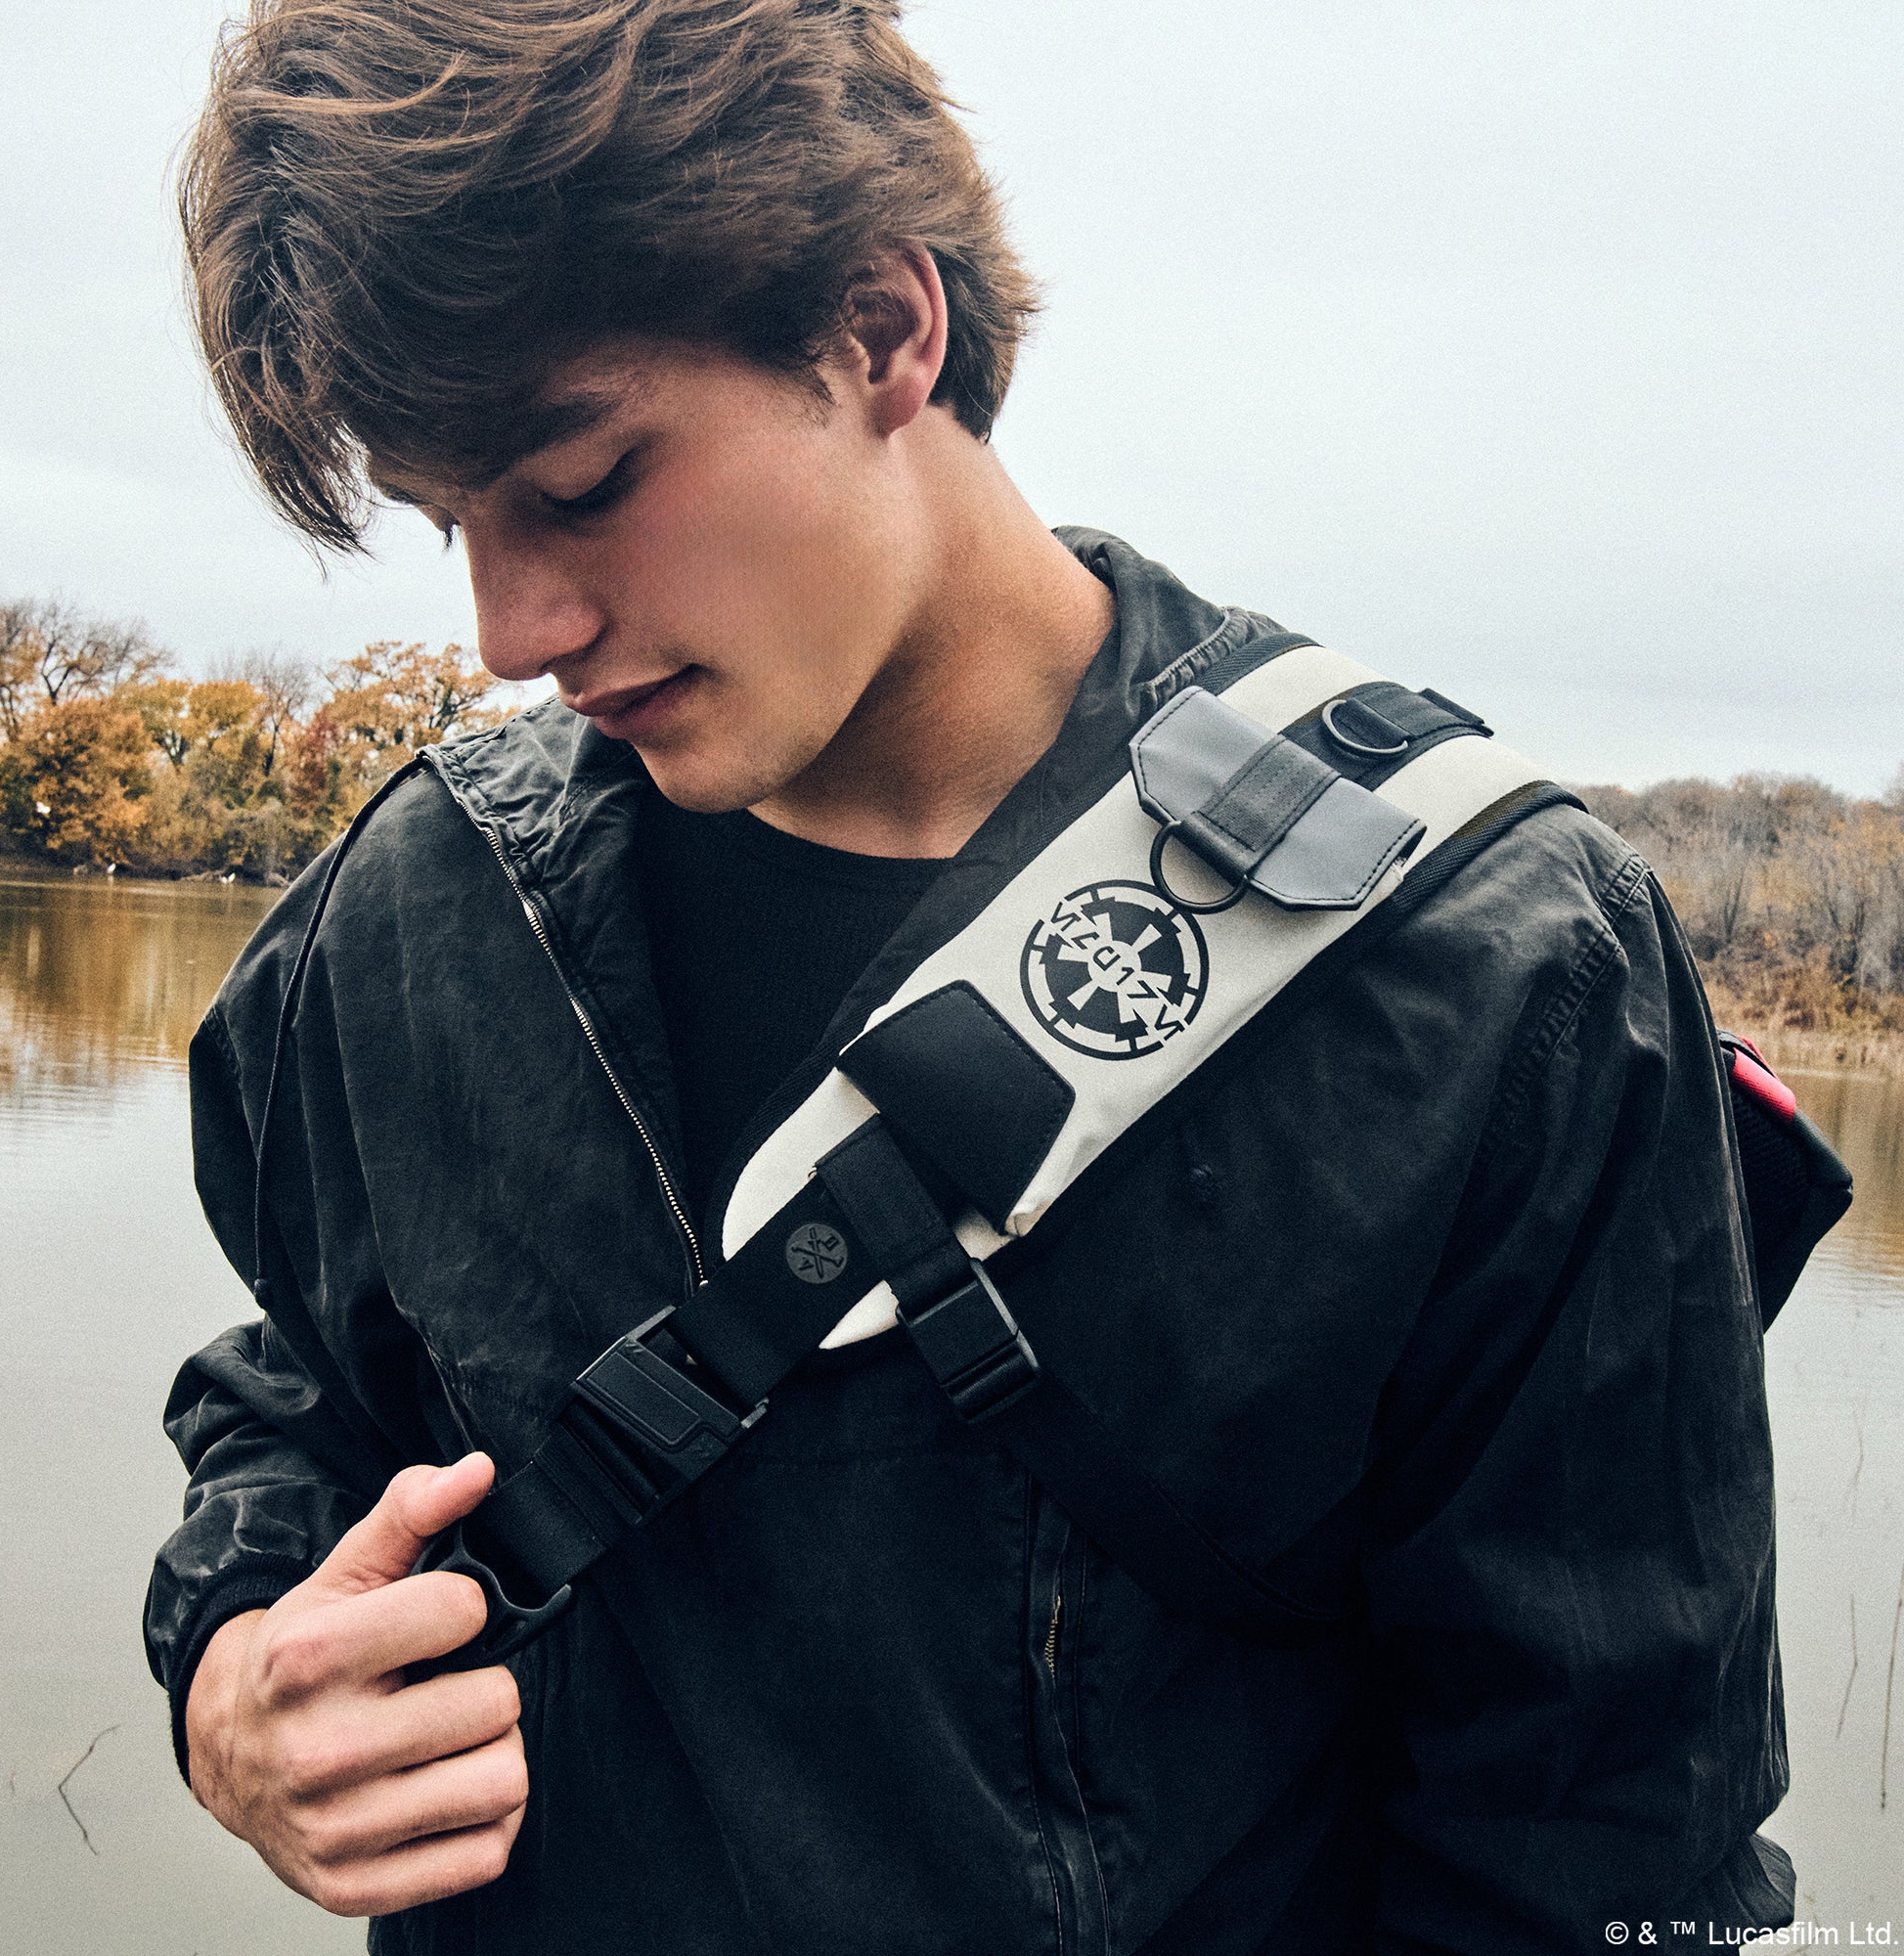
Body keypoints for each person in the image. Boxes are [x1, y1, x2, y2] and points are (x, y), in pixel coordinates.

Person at [146, 2, 1793, 1949]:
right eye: (452, 525)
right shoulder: (416, 905)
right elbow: (311, 1388)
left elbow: (1604, 1849)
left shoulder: (1495, 974)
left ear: (880, 327)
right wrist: (232, 1670)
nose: (512, 629)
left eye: (578, 482)